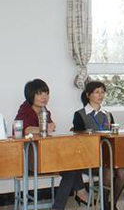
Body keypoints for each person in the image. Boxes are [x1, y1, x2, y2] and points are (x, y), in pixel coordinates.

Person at [15, 79, 89, 210]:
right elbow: (25, 129)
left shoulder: (45, 111)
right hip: (29, 159)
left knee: (72, 165)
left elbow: (49, 129)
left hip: (46, 156)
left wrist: (49, 126)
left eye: (46, 93)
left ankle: (59, 206)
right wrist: (43, 127)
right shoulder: (25, 110)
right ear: (31, 95)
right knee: (72, 166)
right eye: (39, 94)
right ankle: (80, 191)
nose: (44, 97)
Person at [73, 81, 124, 210]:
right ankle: (104, 206)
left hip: (109, 156)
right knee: (107, 172)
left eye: (102, 92)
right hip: (90, 158)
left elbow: (113, 137)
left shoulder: (108, 115)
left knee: (122, 173)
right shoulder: (79, 114)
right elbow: (78, 140)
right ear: (88, 95)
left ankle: (111, 203)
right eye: (96, 92)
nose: (100, 95)